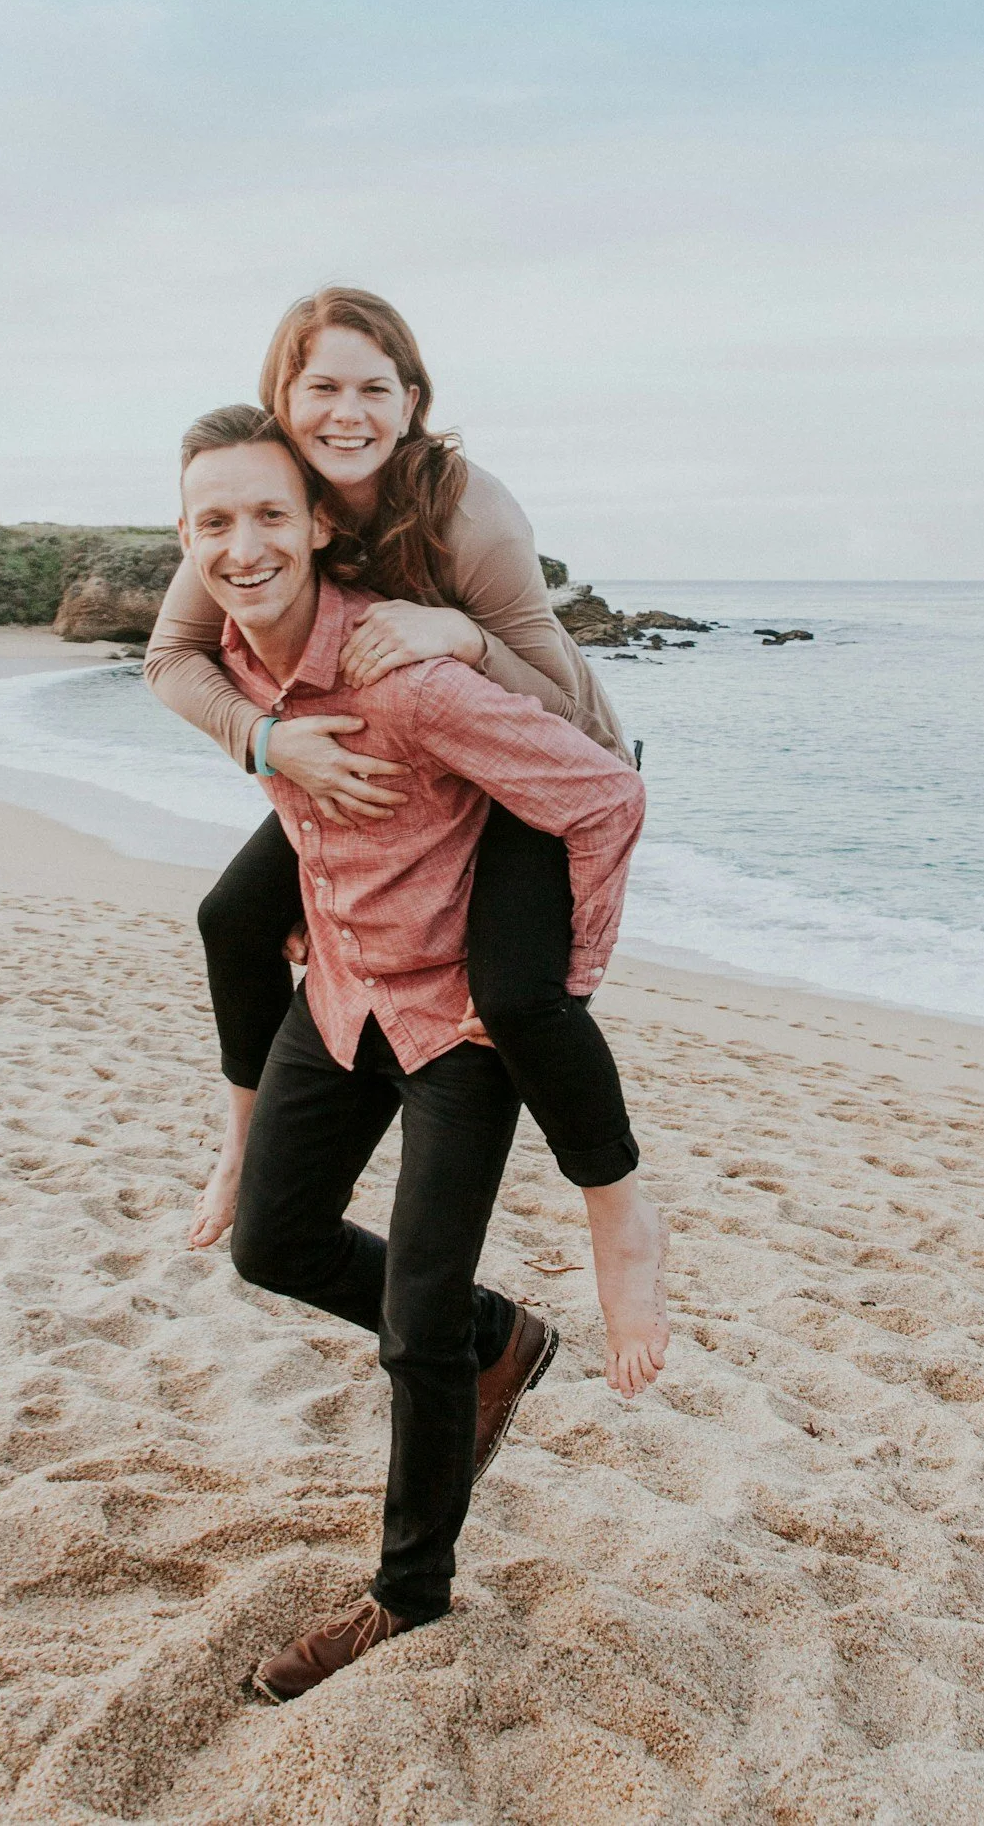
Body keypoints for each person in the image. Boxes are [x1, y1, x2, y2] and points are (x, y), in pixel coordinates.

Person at [174, 404, 653, 1698]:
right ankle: (499, 1341)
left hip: (456, 1020)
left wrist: (559, 984)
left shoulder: (403, 673)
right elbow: (188, 688)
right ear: (185, 537)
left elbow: (602, 793)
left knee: (413, 1321)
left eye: (268, 515)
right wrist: (269, 750)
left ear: (321, 527)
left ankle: (405, 1599)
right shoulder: (232, 656)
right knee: (274, 1241)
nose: (242, 543)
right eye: (212, 521)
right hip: (337, 990)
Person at [147, 286, 668, 1394]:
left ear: (413, 399)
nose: (346, 413)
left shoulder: (468, 511)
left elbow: (560, 698)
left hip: (536, 767)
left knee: (520, 996)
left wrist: (461, 635)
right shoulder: (258, 500)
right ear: (279, 399)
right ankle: (242, 1144)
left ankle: (618, 1215)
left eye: (373, 388)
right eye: (319, 387)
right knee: (232, 916)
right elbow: (175, 662)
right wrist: (267, 741)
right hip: (381, 751)